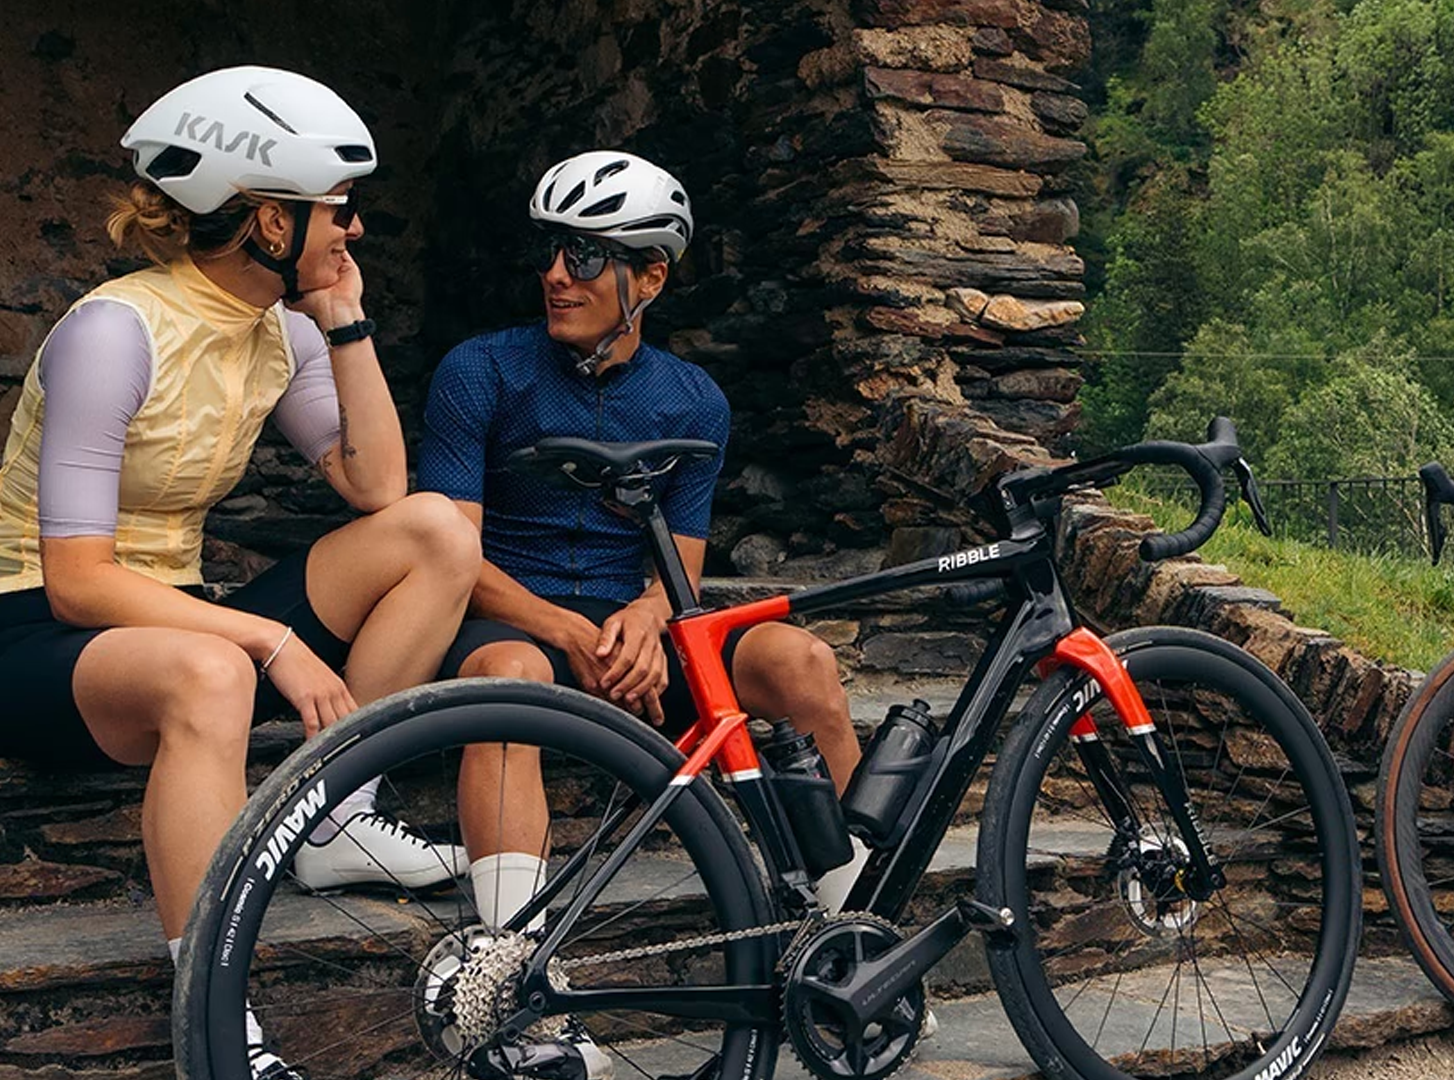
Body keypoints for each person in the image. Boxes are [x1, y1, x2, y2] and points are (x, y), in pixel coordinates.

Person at [0, 65, 479, 1077]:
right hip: (39, 630)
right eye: (338, 213)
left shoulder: (284, 333)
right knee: (212, 672)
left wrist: (345, 321)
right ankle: (217, 1023)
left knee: (436, 531)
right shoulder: (113, 331)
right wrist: (270, 639)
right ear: (265, 218)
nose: (355, 232)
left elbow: (380, 486)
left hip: (174, 618)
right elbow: (81, 580)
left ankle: (333, 815)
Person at [419, 151, 870, 944]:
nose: (557, 275)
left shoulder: (694, 399)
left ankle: (859, 936)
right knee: (511, 679)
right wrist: (563, 630)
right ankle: (509, 962)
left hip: (625, 630)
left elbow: (681, 571)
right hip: (505, 617)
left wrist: (648, 614)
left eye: (585, 255)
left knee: (802, 662)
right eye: (549, 251)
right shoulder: (478, 370)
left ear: (652, 278)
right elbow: (448, 555)